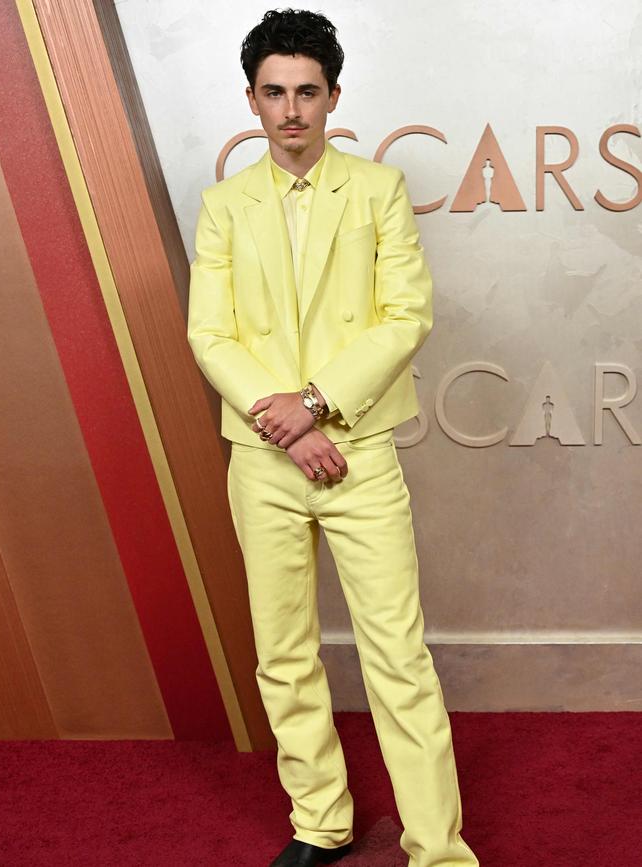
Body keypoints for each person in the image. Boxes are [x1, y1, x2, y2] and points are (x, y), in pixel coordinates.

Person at [187, 9, 479, 867]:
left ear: (333, 96)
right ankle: (321, 821)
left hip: (359, 451)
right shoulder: (222, 205)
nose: (291, 110)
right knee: (283, 654)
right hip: (263, 457)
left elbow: (405, 317)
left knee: (397, 653)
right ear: (251, 99)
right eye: (274, 92)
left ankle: (439, 847)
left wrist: (313, 406)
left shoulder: (378, 189)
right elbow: (211, 335)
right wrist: (283, 426)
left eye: (307, 92)